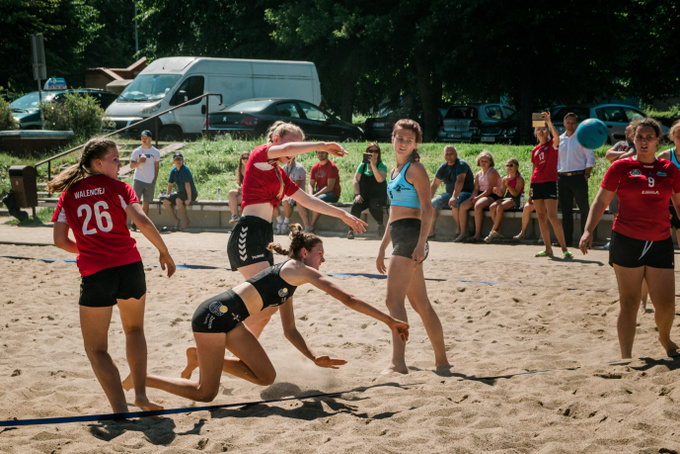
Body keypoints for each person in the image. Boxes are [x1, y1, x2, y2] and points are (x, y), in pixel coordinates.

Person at [124, 225, 409, 402]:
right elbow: (347, 298)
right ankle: (144, 379)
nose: (323, 258)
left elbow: (290, 330)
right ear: (305, 252)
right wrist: (389, 320)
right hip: (213, 317)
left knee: (264, 377)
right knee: (205, 393)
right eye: (320, 252)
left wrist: (312, 357)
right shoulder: (296, 269)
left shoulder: (290, 282)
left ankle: (199, 357)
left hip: (231, 321)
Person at [47, 137, 176, 413]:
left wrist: (85, 250)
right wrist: (164, 251)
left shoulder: (68, 195)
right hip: (129, 267)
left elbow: (59, 240)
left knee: (96, 349)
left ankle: (120, 409)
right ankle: (140, 395)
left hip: (96, 273)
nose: (120, 165)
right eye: (115, 160)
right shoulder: (119, 188)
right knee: (135, 330)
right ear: (98, 163)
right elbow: (141, 221)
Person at [227, 121, 366, 338]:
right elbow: (287, 151)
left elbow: (307, 199)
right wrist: (324, 145)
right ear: (275, 140)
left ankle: (239, 355)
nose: (294, 151)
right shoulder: (259, 154)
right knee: (270, 299)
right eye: (293, 144)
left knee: (268, 308)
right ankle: (219, 337)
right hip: (247, 234)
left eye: (299, 146)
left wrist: (342, 214)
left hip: (264, 236)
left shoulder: (280, 175)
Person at [579, 118, 680, 359]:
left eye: (649, 138)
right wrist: (587, 230)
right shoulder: (621, 168)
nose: (644, 142)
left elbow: (678, 203)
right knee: (630, 301)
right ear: (633, 139)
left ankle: (665, 339)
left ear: (658, 141)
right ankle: (626, 356)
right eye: (640, 137)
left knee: (666, 305)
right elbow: (601, 201)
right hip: (627, 240)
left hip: (660, 241)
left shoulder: (670, 170)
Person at [377, 119, 450, 375]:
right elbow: (393, 214)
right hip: (399, 235)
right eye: (399, 138)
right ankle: (442, 361)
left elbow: (427, 208)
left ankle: (398, 363)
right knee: (421, 304)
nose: (403, 142)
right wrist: (382, 248)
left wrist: (421, 243)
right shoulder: (396, 171)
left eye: (409, 139)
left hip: (411, 237)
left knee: (392, 301)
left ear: (415, 143)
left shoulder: (415, 169)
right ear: (392, 139)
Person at [529, 112, 573, 258]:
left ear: (547, 131)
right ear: (535, 132)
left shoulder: (552, 144)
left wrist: (549, 122)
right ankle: (548, 249)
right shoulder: (535, 150)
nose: (541, 131)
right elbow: (534, 169)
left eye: (544, 129)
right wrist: (530, 189)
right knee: (541, 216)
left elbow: (557, 138)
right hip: (536, 183)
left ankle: (564, 249)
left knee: (553, 216)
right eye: (539, 129)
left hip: (550, 182)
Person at [558, 113, 596, 246]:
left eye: (573, 122)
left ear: (577, 124)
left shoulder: (582, 138)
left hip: (579, 177)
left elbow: (590, 158)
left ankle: (585, 240)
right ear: (564, 123)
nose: (570, 125)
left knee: (583, 209)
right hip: (563, 178)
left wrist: (586, 175)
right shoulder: (559, 139)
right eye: (568, 122)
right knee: (566, 210)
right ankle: (566, 241)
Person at [454, 150, 501, 243]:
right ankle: (463, 233)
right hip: (480, 194)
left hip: (492, 195)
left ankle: (477, 234)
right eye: (482, 161)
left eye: (486, 161)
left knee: (478, 205)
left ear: (490, 162)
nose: (483, 163)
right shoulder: (478, 174)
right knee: (463, 205)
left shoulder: (492, 172)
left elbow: (490, 189)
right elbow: (476, 189)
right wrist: (472, 197)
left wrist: (477, 198)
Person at [428, 145, 474, 239]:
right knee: (432, 204)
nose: (449, 156)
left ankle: (459, 229)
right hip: (449, 194)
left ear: (456, 154)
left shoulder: (461, 164)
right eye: (447, 154)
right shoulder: (443, 167)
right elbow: (435, 185)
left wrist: (454, 196)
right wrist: (427, 200)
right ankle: (430, 232)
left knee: (455, 201)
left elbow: (459, 181)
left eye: (451, 154)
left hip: (465, 193)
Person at [348, 143, 388, 239]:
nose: (373, 153)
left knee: (374, 206)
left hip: (378, 196)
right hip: (364, 195)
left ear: (378, 153)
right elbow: (355, 180)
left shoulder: (382, 165)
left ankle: (380, 225)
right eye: (371, 151)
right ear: (367, 152)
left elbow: (380, 179)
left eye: (375, 151)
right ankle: (350, 229)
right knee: (356, 205)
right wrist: (357, 194)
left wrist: (373, 165)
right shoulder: (362, 165)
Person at [485, 158, 525, 242]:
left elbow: (515, 194)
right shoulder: (505, 178)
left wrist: (508, 185)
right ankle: (498, 230)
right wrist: (496, 192)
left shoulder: (519, 179)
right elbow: (502, 194)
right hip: (508, 197)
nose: (509, 167)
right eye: (507, 165)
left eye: (511, 165)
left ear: (517, 167)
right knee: (492, 206)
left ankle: (492, 231)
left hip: (516, 198)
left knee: (500, 207)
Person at [129, 130, 161, 228]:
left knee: (146, 203)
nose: (144, 139)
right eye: (142, 137)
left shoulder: (155, 152)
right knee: (135, 202)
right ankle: (134, 223)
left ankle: (143, 224)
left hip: (150, 180)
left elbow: (156, 166)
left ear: (150, 139)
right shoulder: (137, 151)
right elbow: (131, 166)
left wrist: (155, 178)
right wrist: (139, 162)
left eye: (146, 138)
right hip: (138, 179)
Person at [274, 155, 311, 234]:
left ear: (293, 157)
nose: (288, 160)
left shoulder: (299, 168)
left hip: (297, 193)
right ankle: (280, 221)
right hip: (286, 192)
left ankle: (286, 222)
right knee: (270, 198)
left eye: (290, 158)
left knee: (287, 200)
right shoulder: (283, 168)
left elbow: (296, 185)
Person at [162, 152, 198, 231]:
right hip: (181, 192)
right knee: (165, 202)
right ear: (173, 162)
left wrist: (189, 199)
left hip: (190, 192)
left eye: (180, 160)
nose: (178, 161)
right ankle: (176, 220)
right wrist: (168, 195)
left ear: (183, 161)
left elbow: (187, 185)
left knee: (178, 200)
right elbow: (170, 184)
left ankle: (186, 221)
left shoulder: (185, 170)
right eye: (176, 160)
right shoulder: (173, 171)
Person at [308, 150, 342, 232]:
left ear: (327, 153)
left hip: (332, 194)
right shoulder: (315, 167)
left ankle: (311, 227)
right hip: (319, 193)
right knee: (302, 199)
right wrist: (310, 195)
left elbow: (330, 187)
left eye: (322, 152)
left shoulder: (332, 167)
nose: (320, 154)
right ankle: (306, 224)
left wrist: (315, 196)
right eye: (318, 152)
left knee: (317, 200)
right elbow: (310, 184)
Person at [228, 151, 250, 224]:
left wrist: (244, 190)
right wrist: (238, 187)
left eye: (247, 157)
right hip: (242, 192)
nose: (245, 159)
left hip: (250, 193)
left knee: (230, 203)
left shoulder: (252, 169)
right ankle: (236, 217)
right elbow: (238, 182)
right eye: (243, 158)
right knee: (231, 193)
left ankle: (236, 223)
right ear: (241, 159)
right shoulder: (240, 169)